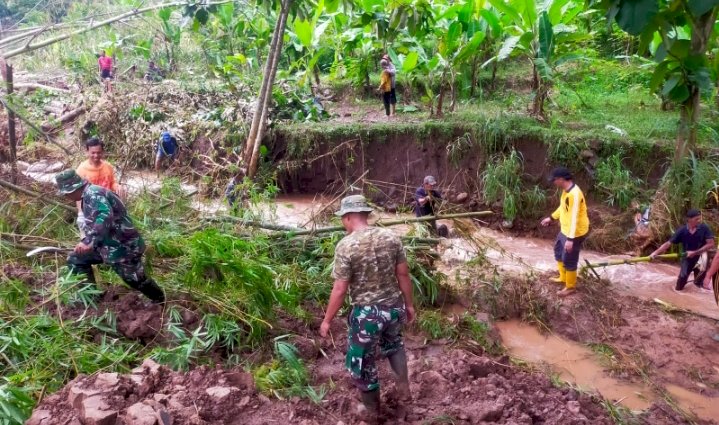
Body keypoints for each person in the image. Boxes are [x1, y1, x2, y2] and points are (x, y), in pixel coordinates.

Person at [319, 195, 415, 422]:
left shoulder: (346, 245)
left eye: (343, 218)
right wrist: (409, 305)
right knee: (394, 345)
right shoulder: (391, 237)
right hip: (393, 309)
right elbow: (403, 274)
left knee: (361, 360)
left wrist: (327, 319)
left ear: (349, 217)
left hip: (367, 315)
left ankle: (372, 410)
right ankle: (404, 392)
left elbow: (340, 288)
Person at [55, 170, 165, 303]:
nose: (66, 198)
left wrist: (89, 241)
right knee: (76, 259)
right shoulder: (89, 195)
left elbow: (105, 216)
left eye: (66, 194)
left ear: (72, 189)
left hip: (123, 246)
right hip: (106, 244)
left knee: (134, 279)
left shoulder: (93, 194)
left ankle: (159, 300)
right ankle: (90, 298)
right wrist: (87, 241)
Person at [540, 167, 589, 297]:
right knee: (558, 250)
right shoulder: (565, 191)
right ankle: (563, 277)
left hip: (576, 232)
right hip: (566, 229)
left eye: (554, 180)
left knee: (569, 259)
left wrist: (570, 240)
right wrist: (551, 217)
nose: (554, 183)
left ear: (561, 179)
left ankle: (570, 287)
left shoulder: (574, 194)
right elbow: (563, 208)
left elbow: (574, 218)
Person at [651, 209, 714, 293]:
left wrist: (695, 252)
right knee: (680, 283)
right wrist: (655, 253)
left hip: (702, 256)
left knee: (699, 284)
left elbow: (711, 244)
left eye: (700, 218)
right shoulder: (682, 231)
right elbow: (668, 243)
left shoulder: (704, 228)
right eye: (697, 219)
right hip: (687, 257)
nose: (699, 221)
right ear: (689, 220)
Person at [75, 137, 122, 235]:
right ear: (87, 152)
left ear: (102, 152)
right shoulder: (81, 170)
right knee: (89, 240)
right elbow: (78, 194)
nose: (96, 155)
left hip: (107, 209)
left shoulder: (107, 166)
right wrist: (80, 213)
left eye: (99, 152)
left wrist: (117, 186)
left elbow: (112, 182)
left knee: (109, 238)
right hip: (90, 212)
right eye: (93, 153)